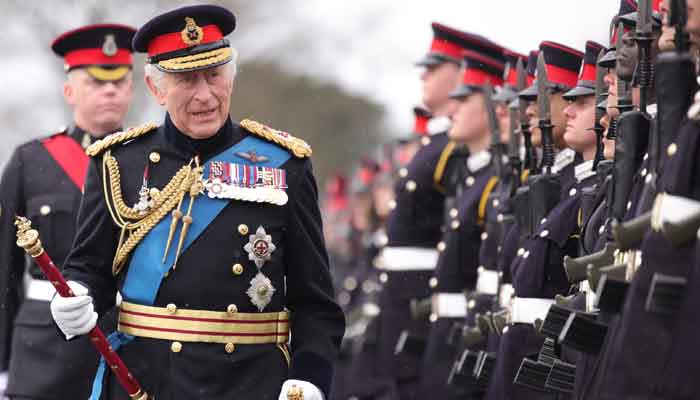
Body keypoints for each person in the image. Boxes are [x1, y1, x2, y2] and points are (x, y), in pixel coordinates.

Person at [48, 5, 344, 400]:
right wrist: (75, 296)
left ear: (231, 79)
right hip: (148, 381)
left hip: (251, 382)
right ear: (156, 88)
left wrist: (310, 377)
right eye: (186, 79)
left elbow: (316, 302)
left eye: (214, 76)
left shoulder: (285, 163)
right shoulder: (119, 162)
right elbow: (90, 268)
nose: (204, 95)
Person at [0, 23, 136, 400]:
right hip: (42, 355)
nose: (109, 89)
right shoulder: (30, 161)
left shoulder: (150, 163)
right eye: (95, 81)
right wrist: (1, 363)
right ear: (69, 91)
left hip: (126, 349)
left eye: (119, 80)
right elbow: (4, 273)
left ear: (132, 88)